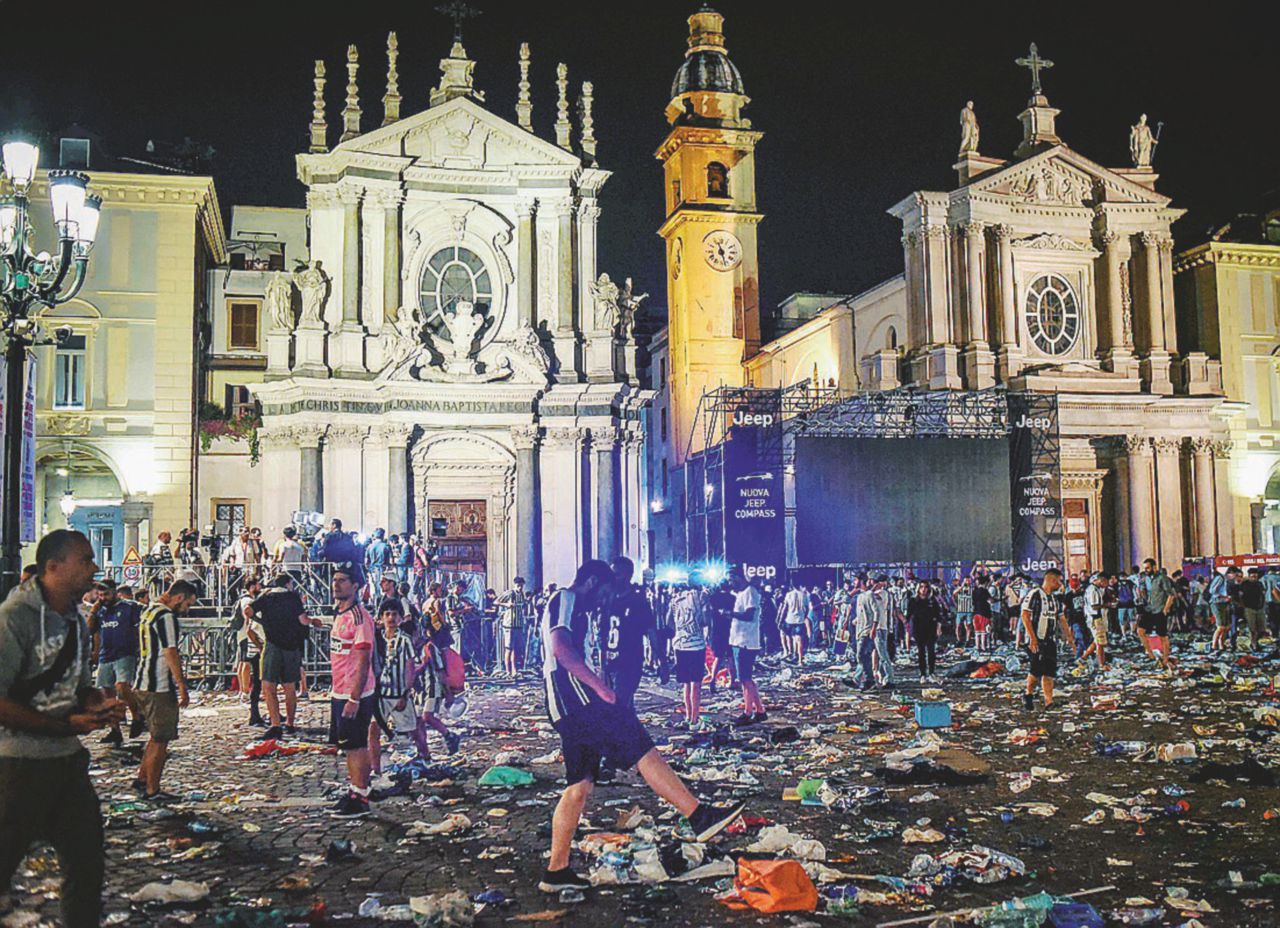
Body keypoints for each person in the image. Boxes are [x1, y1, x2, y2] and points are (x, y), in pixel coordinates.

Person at [537, 560, 745, 894]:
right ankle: (698, 816)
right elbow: (561, 649)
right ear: (591, 582)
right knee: (639, 744)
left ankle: (556, 870)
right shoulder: (566, 598)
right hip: (574, 697)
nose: (604, 601)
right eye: (603, 592)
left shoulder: (577, 608)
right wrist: (600, 687)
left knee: (580, 784)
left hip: (568, 702)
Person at [0, 531, 126, 928]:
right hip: (18, 766)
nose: (95, 568)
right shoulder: (14, 618)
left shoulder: (75, 618)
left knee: (86, 861)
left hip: (67, 762)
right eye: (85, 560)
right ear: (53, 566)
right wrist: (62, 724)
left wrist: (95, 703)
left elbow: (75, 687)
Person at [133, 579, 200, 800]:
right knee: (161, 740)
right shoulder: (166, 617)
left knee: (154, 737)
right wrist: (182, 685)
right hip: (158, 685)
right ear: (179, 597)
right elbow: (171, 652)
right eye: (187, 604)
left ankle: (143, 778)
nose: (186, 610)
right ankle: (153, 789)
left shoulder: (150, 610)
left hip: (142, 681)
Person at [327, 567, 378, 818]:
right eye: (335, 580)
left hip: (354, 692)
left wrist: (354, 698)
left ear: (355, 585)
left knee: (357, 744)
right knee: (347, 745)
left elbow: (362, 659)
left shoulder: (360, 617)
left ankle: (362, 797)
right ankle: (354, 790)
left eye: (342, 581)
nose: (336, 585)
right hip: (339, 689)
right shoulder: (340, 614)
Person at [252, 572, 323, 739]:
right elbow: (303, 620)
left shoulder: (266, 596)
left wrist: (263, 622)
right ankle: (290, 723)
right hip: (291, 646)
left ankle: (275, 724)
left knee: (268, 686)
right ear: (288, 583)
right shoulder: (293, 597)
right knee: (289, 686)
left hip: (272, 644)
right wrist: (313, 621)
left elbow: (248, 611)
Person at [369, 599, 427, 774]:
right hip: (380, 693)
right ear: (381, 618)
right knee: (373, 730)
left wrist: (406, 692)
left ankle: (425, 755)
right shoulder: (377, 640)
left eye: (394, 614)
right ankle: (375, 768)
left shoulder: (405, 641)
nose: (391, 618)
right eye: (387, 614)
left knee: (413, 729)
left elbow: (410, 667)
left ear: (401, 618)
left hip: (398, 692)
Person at [87, 579, 144, 744]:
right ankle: (115, 729)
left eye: (106, 594)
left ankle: (136, 716)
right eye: (100, 595)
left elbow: (139, 627)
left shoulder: (129, 607)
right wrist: (93, 612)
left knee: (122, 686)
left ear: (114, 592)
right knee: (107, 694)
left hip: (125, 653)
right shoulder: (100, 611)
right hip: (106, 655)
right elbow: (90, 630)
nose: (103, 598)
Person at [1020, 568, 1074, 710]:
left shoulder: (1055, 599)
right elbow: (1025, 616)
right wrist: (1032, 638)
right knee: (1036, 670)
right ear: (1051, 579)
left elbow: (1061, 619)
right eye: (1059, 581)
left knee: (1049, 671)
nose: (1060, 584)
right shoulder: (1035, 594)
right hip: (1036, 639)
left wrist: (1069, 637)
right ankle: (1028, 694)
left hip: (1050, 640)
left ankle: (1048, 702)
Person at [729, 569, 767, 725]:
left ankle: (747, 712)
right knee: (747, 679)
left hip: (746, 641)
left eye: (732, 579)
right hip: (739, 640)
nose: (730, 583)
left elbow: (750, 615)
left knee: (745, 679)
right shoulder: (741, 593)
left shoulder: (750, 592)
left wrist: (730, 614)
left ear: (739, 578)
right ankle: (760, 710)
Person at [669, 585, 707, 729]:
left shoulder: (675, 598)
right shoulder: (701, 597)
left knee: (686, 684)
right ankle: (694, 719)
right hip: (696, 644)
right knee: (696, 683)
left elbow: (669, 622)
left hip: (680, 644)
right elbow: (705, 620)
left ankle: (688, 716)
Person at [1138, 559, 1176, 672]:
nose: (1146, 570)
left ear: (1154, 567)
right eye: (1144, 568)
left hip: (1159, 610)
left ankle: (1165, 659)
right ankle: (1150, 654)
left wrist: (1165, 609)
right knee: (1140, 631)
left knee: (1162, 635)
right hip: (1148, 609)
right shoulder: (1146, 579)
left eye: (1148, 568)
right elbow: (1145, 593)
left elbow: (1171, 595)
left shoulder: (1162, 578)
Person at [906, 580, 942, 682]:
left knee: (931, 651)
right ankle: (922, 674)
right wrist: (907, 628)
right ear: (918, 588)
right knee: (921, 651)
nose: (923, 589)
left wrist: (938, 628)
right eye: (921, 587)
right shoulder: (913, 601)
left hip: (931, 628)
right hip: (918, 628)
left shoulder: (932, 601)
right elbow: (908, 615)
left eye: (926, 587)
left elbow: (938, 615)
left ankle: (931, 672)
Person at [495, 577, 531, 677]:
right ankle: (507, 671)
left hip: (518, 624)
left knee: (516, 648)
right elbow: (496, 602)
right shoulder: (510, 593)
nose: (520, 587)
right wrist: (506, 604)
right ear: (515, 584)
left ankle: (514, 670)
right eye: (518, 585)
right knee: (508, 648)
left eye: (521, 585)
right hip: (509, 625)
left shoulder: (522, 595)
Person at [1079, 572, 1110, 672]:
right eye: (1105, 581)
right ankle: (1102, 664)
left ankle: (1083, 658)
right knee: (1100, 643)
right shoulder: (1093, 590)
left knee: (1096, 641)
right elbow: (1094, 606)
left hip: (1094, 618)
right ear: (1101, 580)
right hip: (1095, 618)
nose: (1107, 584)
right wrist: (1107, 605)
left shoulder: (1094, 589)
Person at [1237, 567, 1268, 653]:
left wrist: (1263, 605)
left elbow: (1263, 595)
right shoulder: (1244, 584)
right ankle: (1254, 644)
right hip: (1249, 609)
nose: (1254, 577)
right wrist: (1243, 606)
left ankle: (1255, 642)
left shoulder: (1259, 584)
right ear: (1249, 576)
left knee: (1261, 629)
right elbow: (1240, 596)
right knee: (1252, 628)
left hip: (1260, 609)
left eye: (1255, 575)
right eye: (1252, 575)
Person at [779, 580, 807, 664]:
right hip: (799, 620)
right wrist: (804, 616)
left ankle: (789, 652)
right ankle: (799, 659)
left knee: (787, 636)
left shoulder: (788, 595)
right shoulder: (804, 595)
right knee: (799, 640)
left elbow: (785, 608)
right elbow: (807, 608)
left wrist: (780, 619)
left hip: (789, 619)